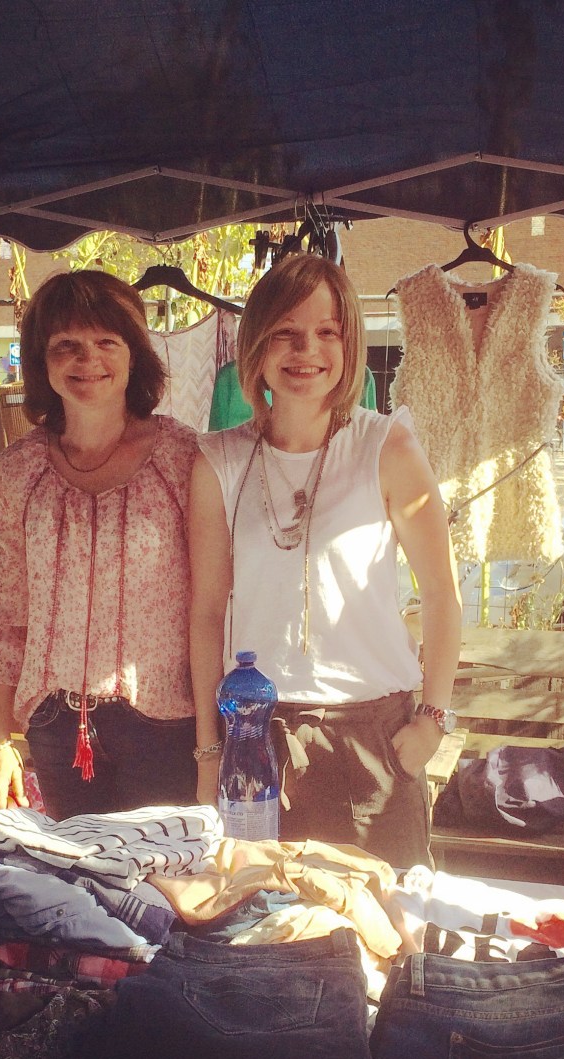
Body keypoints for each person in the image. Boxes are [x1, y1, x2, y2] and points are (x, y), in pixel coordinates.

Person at [189, 256, 462, 868]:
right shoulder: (218, 461)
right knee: (260, 917)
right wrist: (209, 752)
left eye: (327, 332)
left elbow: (442, 593)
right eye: (286, 332)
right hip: (255, 736)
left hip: (373, 740)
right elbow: (206, 612)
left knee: (385, 920)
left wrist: (431, 722)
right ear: (257, 345)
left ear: (349, 343)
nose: (306, 350)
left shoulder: (386, 446)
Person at [0, 270, 197, 816]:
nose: (87, 359)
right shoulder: (18, 470)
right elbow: (2, 613)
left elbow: (215, 600)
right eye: (66, 345)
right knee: (73, 864)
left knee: (155, 866)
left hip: (167, 726)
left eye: (106, 342)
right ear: (41, 361)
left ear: (134, 354)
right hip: (55, 727)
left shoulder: (184, 458)